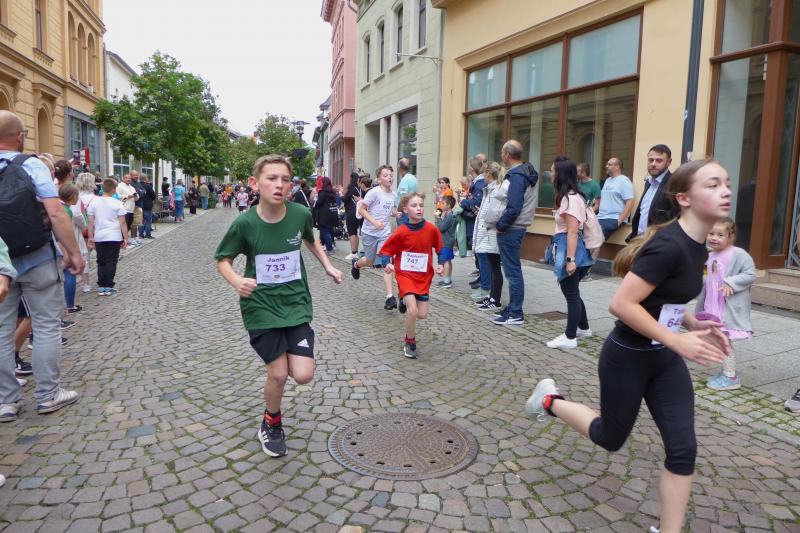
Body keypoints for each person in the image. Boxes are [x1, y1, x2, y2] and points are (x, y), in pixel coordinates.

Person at [526, 159, 733, 533]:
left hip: (664, 360)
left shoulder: (698, 246)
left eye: (727, 183)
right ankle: (550, 400)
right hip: (628, 357)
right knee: (610, 438)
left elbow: (665, 296)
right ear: (684, 198)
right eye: (714, 184)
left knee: (683, 450)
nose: (726, 191)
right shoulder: (670, 246)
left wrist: (692, 323)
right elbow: (621, 304)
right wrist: (676, 339)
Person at [215, 154, 342, 457]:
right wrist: (236, 281)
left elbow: (310, 240)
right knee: (280, 373)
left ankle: (278, 391)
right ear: (254, 183)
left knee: (304, 374)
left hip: (296, 304)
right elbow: (223, 259)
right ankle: (271, 423)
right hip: (261, 308)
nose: (279, 185)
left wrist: (327, 266)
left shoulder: (300, 214)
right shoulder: (245, 223)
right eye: (272, 178)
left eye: (285, 179)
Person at [0, 110, 83, 420]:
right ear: (20, 137)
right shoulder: (32, 165)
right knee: (46, 324)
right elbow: (57, 213)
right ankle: (48, 394)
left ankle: (6, 400)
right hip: (37, 257)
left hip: (1, 265)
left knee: (1, 329)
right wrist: (73, 252)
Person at [379, 193, 443, 359]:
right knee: (412, 311)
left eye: (421, 205)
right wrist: (386, 263)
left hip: (423, 276)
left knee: (422, 314)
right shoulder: (401, 231)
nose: (419, 208)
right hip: (405, 275)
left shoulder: (431, 229)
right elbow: (387, 250)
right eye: (414, 206)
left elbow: (440, 248)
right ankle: (410, 341)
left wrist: (441, 263)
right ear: (406, 210)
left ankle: (402, 301)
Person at [695, 218, 755, 390]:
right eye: (711, 234)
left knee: (724, 340)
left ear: (731, 236)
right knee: (718, 339)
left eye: (720, 235)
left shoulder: (738, 254)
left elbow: (750, 274)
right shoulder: (708, 255)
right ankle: (726, 371)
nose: (714, 238)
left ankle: (730, 376)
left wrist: (731, 282)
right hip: (712, 305)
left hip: (726, 308)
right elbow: (706, 276)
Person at [544, 156, 595, 349]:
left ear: (561, 174)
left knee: (571, 294)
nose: (551, 174)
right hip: (571, 247)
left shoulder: (571, 199)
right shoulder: (571, 197)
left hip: (571, 249)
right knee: (573, 292)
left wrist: (570, 259)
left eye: (553, 171)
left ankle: (570, 337)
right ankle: (584, 328)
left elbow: (572, 231)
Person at [493, 140, 538, 326]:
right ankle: (513, 307)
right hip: (517, 227)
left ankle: (516, 312)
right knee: (512, 270)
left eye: (502, 152)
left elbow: (514, 207)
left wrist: (501, 225)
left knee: (512, 272)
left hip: (511, 228)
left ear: (507, 154)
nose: (501, 155)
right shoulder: (525, 172)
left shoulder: (517, 175)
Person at [350, 165, 399, 310]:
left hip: (385, 233)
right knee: (370, 261)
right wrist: (374, 222)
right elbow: (361, 209)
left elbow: (386, 210)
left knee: (386, 261)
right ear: (378, 179)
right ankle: (356, 264)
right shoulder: (374, 193)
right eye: (385, 175)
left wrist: (395, 214)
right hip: (369, 232)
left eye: (391, 175)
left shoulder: (393, 195)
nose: (389, 177)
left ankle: (389, 297)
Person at [628, 145, 678, 242]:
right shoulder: (648, 183)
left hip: (659, 242)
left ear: (669, 162)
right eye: (651, 160)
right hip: (639, 240)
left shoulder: (674, 184)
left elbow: (676, 218)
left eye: (659, 160)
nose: (653, 164)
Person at [473, 161, 505, 311]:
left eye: (484, 173)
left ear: (488, 173)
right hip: (487, 233)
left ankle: (495, 299)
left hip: (491, 234)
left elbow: (495, 213)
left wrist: (486, 221)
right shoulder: (490, 190)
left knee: (495, 268)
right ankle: (492, 296)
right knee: (493, 267)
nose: (482, 176)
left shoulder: (496, 190)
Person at [88, 178, 128, 295]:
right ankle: (108, 285)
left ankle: (101, 286)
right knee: (111, 261)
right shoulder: (117, 203)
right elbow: (122, 222)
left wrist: (90, 237)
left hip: (99, 236)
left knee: (101, 261)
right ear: (114, 189)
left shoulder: (94, 202)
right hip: (114, 236)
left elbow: (90, 222)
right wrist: (125, 238)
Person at [59, 184, 86, 314]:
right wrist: (69, 252)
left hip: (57, 246)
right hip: (64, 247)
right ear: (73, 196)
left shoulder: (59, 207)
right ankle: (70, 305)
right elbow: (66, 233)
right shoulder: (67, 210)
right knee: (70, 273)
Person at [461, 155, 487, 273]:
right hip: (473, 220)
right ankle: (480, 273)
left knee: (477, 248)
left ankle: (483, 276)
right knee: (475, 248)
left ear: (472, 169)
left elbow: (477, 203)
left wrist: (464, 201)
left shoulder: (480, 183)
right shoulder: (477, 182)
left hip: (475, 221)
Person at [597, 157, 634, 240]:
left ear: (617, 167)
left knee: (594, 240)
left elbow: (630, 201)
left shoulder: (624, 180)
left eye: (609, 164)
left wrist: (619, 220)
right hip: (601, 217)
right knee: (583, 235)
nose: (606, 166)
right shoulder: (608, 180)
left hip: (613, 218)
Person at [75, 172, 97, 293]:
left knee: (84, 256)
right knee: (100, 256)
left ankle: (85, 283)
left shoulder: (75, 197)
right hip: (94, 230)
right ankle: (102, 280)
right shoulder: (96, 199)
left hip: (78, 230)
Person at [434, 196, 456, 288]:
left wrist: (438, 218)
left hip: (446, 241)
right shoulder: (448, 215)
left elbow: (442, 227)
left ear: (449, 205)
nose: (441, 205)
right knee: (448, 260)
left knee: (446, 261)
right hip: (448, 240)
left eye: (443, 203)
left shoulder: (450, 216)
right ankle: (448, 279)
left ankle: (447, 282)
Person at [313, 177, 339, 255]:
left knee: (325, 232)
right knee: (330, 230)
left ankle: (329, 249)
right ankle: (332, 246)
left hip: (324, 215)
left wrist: (315, 202)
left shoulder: (323, 192)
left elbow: (319, 203)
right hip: (332, 213)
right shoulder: (333, 191)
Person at [342, 172, 363, 261]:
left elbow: (345, 199)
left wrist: (340, 194)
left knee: (351, 233)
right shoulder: (359, 188)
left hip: (351, 212)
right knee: (355, 232)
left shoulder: (351, 187)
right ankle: (356, 252)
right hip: (358, 211)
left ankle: (354, 253)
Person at [395, 158, 418, 225]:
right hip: (410, 211)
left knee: (403, 231)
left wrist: (398, 211)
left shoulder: (405, 180)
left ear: (399, 167)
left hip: (403, 213)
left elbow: (403, 198)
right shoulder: (414, 178)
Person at [116, 174, 138, 240]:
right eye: (127, 178)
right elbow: (117, 195)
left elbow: (136, 196)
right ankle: (121, 240)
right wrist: (127, 196)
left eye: (129, 178)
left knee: (128, 226)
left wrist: (136, 196)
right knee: (123, 226)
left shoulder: (132, 187)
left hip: (131, 209)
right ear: (123, 178)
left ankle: (124, 240)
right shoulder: (119, 186)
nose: (128, 179)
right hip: (124, 209)